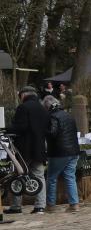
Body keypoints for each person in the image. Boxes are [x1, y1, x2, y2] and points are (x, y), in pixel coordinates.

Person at [4, 86, 50, 214]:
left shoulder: (23, 107)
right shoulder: (42, 108)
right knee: (39, 176)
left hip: (24, 148)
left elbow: (21, 127)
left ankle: (16, 206)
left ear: (23, 95)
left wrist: (7, 129)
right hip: (39, 147)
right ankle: (40, 206)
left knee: (18, 174)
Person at [42, 95, 80, 212]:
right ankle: (74, 204)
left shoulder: (52, 117)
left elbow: (53, 132)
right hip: (73, 151)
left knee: (52, 178)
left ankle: (51, 205)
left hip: (59, 153)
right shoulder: (68, 115)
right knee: (70, 177)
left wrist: (42, 130)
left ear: (47, 107)